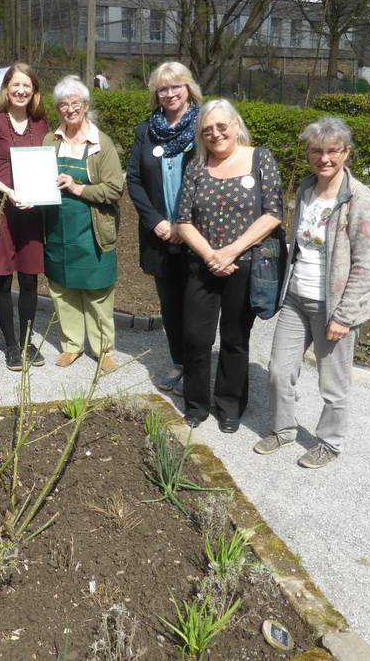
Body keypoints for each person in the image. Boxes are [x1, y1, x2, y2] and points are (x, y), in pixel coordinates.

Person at [254, 117, 370, 468]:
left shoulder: (360, 199)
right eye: (316, 151)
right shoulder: (306, 189)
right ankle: (283, 430)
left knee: (333, 384)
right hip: (296, 298)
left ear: (346, 152)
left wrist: (345, 316)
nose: (324, 158)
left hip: (333, 306)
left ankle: (329, 442)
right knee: (279, 371)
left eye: (332, 151)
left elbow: (364, 265)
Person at [177, 99, 282, 433]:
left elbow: (273, 213)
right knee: (196, 337)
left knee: (235, 338)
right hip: (202, 264)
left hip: (245, 264)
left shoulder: (260, 158)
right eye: (207, 130)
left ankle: (230, 406)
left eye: (222, 126)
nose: (215, 134)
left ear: (236, 126)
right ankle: (195, 404)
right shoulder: (196, 165)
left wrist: (231, 252)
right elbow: (183, 220)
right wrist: (211, 256)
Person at [126, 61, 201, 395]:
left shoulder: (204, 126)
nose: (170, 93)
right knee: (170, 303)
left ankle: (198, 366)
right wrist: (155, 221)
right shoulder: (146, 131)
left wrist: (185, 224)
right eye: (163, 88)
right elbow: (134, 179)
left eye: (176, 86)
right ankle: (179, 362)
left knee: (197, 304)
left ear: (188, 89)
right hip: (159, 235)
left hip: (196, 234)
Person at [42, 75, 124, 371]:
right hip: (57, 229)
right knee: (62, 290)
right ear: (58, 109)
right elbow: (38, 179)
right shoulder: (50, 141)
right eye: (63, 104)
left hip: (92, 231)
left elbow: (114, 189)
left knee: (97, 291)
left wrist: (78, 188)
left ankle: (104, 350)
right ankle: (71, 346)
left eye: (75, 103)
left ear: (86, 105)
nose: (69, 109)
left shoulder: (101, 144)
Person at [0, 63, 49, 371]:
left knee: (30, 278)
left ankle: (27, 341)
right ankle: (10, 345)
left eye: (26, 86)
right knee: (3, 278)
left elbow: (47, 163)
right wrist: (9, 191)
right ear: (6, 89)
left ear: (34, 92)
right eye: (15, 85)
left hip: (32, 211)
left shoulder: (41, 123)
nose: (21, 91)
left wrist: (41, 191)